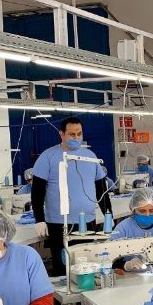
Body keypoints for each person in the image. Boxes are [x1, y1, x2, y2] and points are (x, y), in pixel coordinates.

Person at [31, 117, 112, 276]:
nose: (76, 138)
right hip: (59, 224)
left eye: (79, 134)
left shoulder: (90, 156)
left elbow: (101, 190)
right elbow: (37, 192)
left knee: (87, 267)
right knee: (63, 269)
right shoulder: (48, 157)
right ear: (61, 134)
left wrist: (109, 215)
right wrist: (39, 219)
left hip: (88, 222)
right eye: (72, 134)